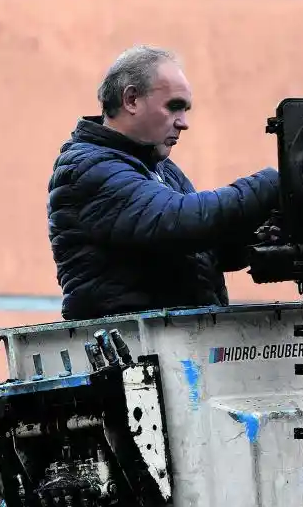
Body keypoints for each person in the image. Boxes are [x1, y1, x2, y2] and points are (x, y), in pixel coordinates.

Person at [48, 46, 281, 320]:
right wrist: (274, 182)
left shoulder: (161, 169)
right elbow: (178, 221)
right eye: (174, 107)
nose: (183, 123)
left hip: (178, 351)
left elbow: (206, 246)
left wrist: (261, 234)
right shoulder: (88, 166)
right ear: (131, 99)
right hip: (135, 356)